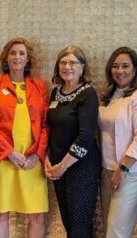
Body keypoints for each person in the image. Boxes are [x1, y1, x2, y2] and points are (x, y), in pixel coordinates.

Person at [0, 37, 49, 238]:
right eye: (13, 53)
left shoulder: (39, 86)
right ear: (6, 58)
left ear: (28, 60)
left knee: (38, 216)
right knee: (0, 214)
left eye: (21, 53)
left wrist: (37, 155)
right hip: (1, 160)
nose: (17, 57)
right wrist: (9, 153)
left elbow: (45, 124)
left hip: (31, 160)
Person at [44, 45, 101, 238]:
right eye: (63, 62)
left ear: (82, 67)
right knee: (68, 222)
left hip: (81, 167)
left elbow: (86, 137)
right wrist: (47, 159)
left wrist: (63, 165)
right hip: (58, 168)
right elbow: (51, 129)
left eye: (73, 62)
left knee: (79, 227)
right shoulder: (56, 93)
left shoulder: (88, 94)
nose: (67, 66)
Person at [98, 46, 137, 238]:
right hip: (107, 169)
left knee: (116, 232)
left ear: (135, 69)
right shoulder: (109, 95)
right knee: (108, 229)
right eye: (115, 66)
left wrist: (122, 169)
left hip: (130, 172)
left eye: (125, 66)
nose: (120, 71)